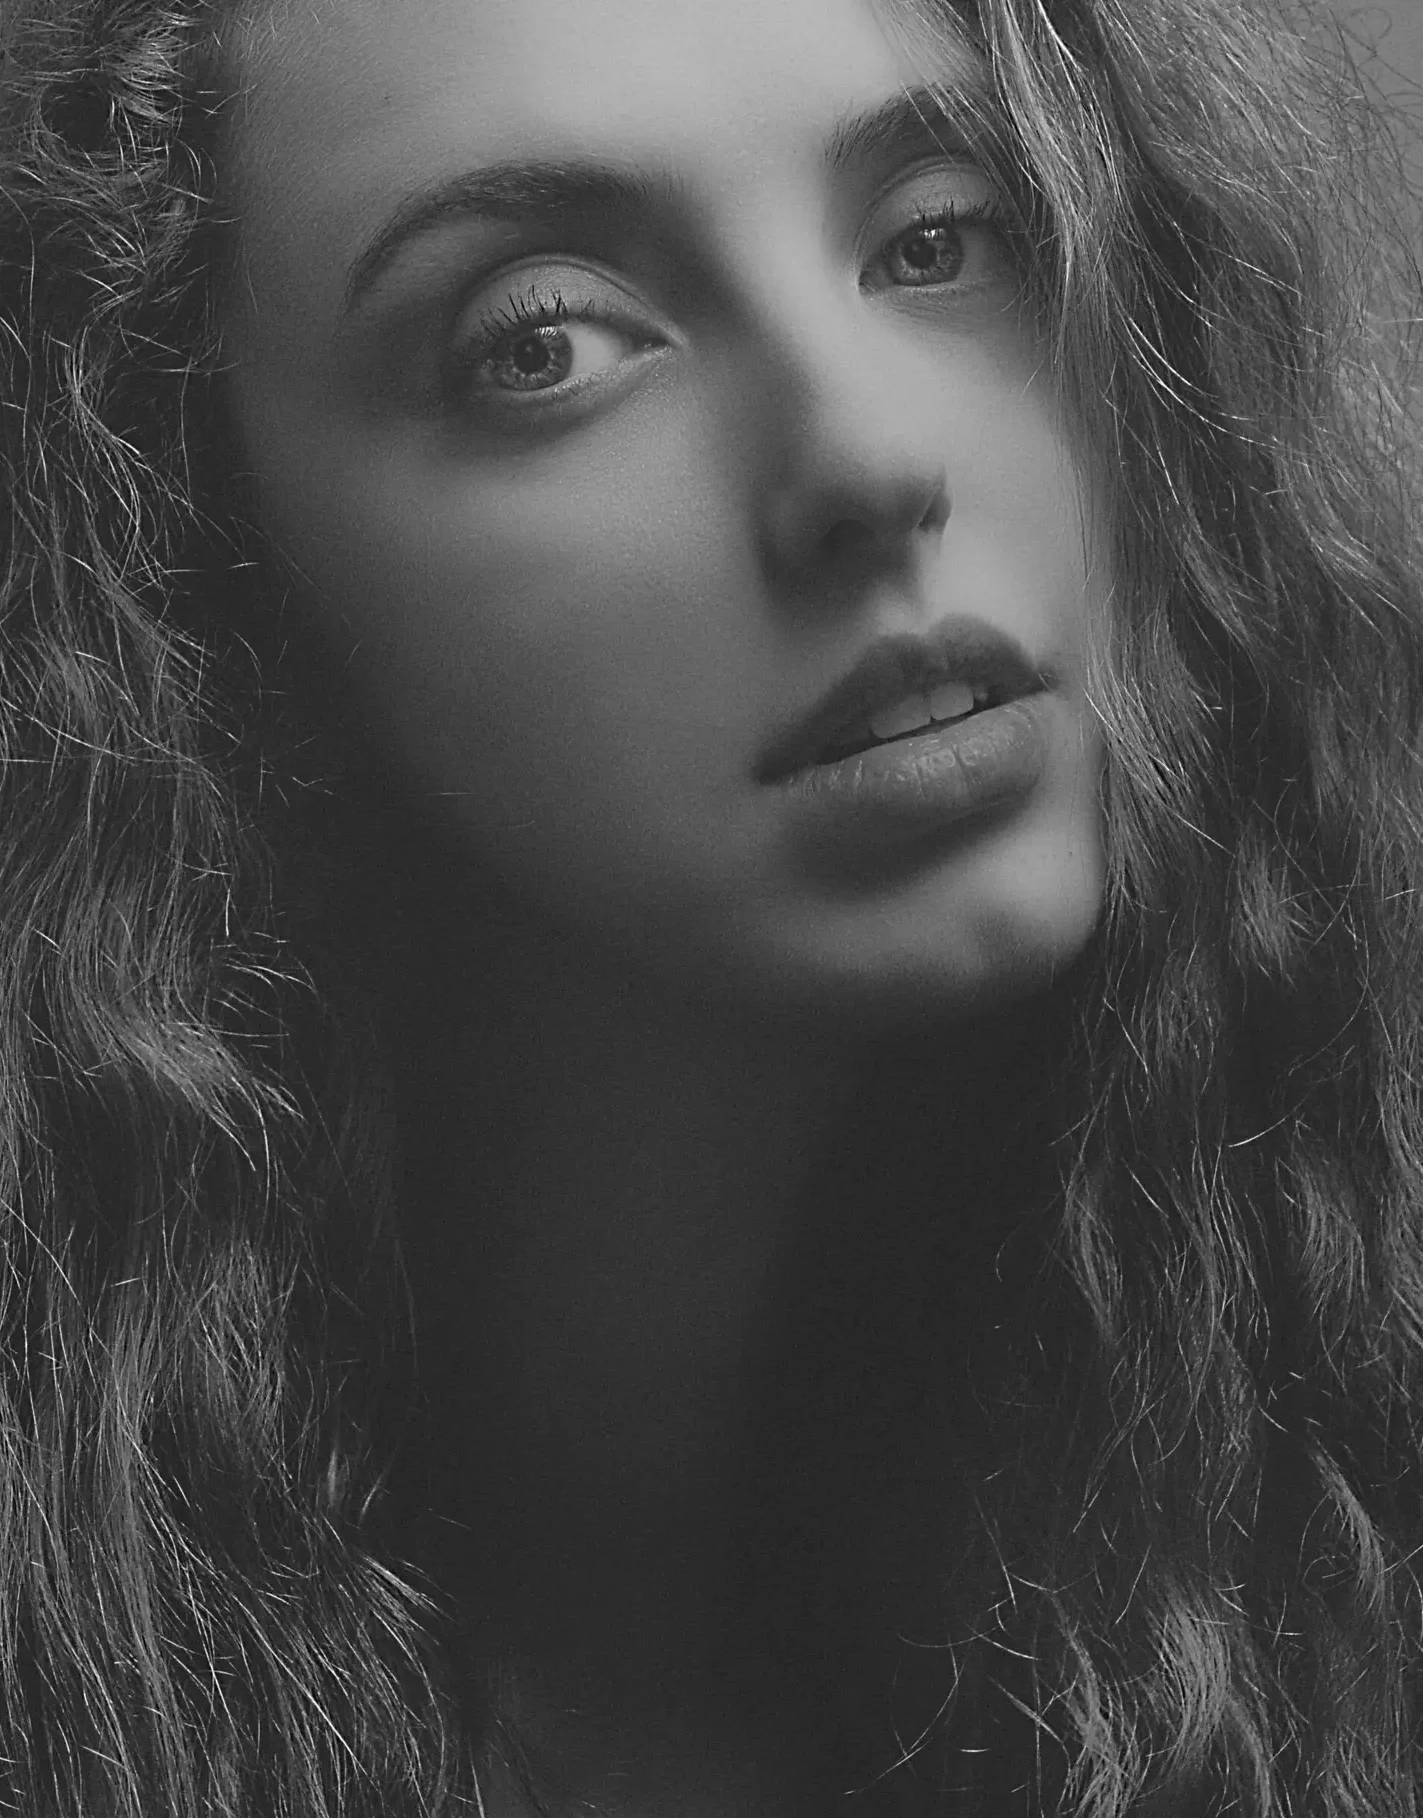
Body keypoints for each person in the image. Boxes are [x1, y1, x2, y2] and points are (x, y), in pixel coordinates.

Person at [1, 0, 1420, 1811]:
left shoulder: (1323, 1487)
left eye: (932, 239)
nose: (863, 459)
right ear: (204, 568)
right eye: (544, 342)